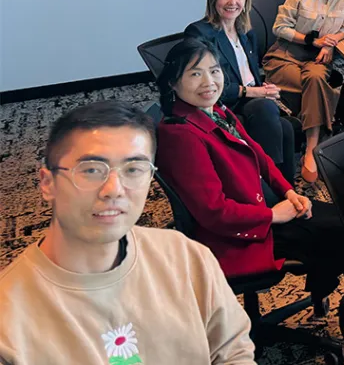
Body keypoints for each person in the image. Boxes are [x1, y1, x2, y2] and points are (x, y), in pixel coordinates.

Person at [0, 100, 256, 364]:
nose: (114, 188)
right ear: (47, 183)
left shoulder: (186, 256)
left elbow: (233, 352)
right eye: (91, 170)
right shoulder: (8, 323)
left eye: (133, 169)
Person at [155, 38, 344, 311]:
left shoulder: (215, 111)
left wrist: (289, 192)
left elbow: (260, 158)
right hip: (236, 235)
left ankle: (329, 293)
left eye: (214, 71)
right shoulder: (180, 135)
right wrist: (273, 215)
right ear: (173, 84)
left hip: (256, 208)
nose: (209, 82)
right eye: (195, 74)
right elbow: (214, 212)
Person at [263, 0, 344, 183]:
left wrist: (331, 42)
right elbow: (280, 27)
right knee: (317, 87)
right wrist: (314, 41)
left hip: (318, 59)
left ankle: (309, 146)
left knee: (317, 78)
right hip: (285, 55)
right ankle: (316, 142)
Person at [185, 0, 296, 179]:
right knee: (264, 107)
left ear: (246, 0)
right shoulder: (200, 33)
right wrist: (255, 93)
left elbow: (251, 74)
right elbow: (205, 86)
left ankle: (285, 189)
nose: (232, 2)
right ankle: (269, 180)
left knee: (286, 129)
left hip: (250, 99)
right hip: (222, 103)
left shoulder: (246, 32)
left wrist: (264, 89)